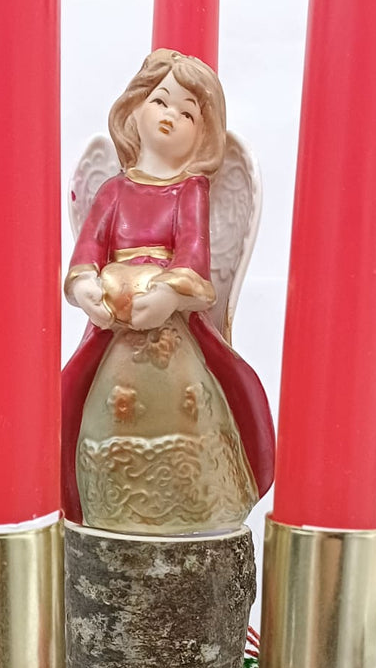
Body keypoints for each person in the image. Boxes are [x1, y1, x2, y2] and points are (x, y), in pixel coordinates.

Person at [61, 48, 274, 535]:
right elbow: (88, 247)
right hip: (117, 326)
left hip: (168, 332)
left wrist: (169, 296)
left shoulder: (190, 191)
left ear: (203, 133)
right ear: (134, 107)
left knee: (182, 406)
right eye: (160, 101)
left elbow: (193, 253)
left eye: (187, 113)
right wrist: (87, 286)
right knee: (103, 407)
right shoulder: (114, 191)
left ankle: (189, 509)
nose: (170, 116)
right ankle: (110, 507)